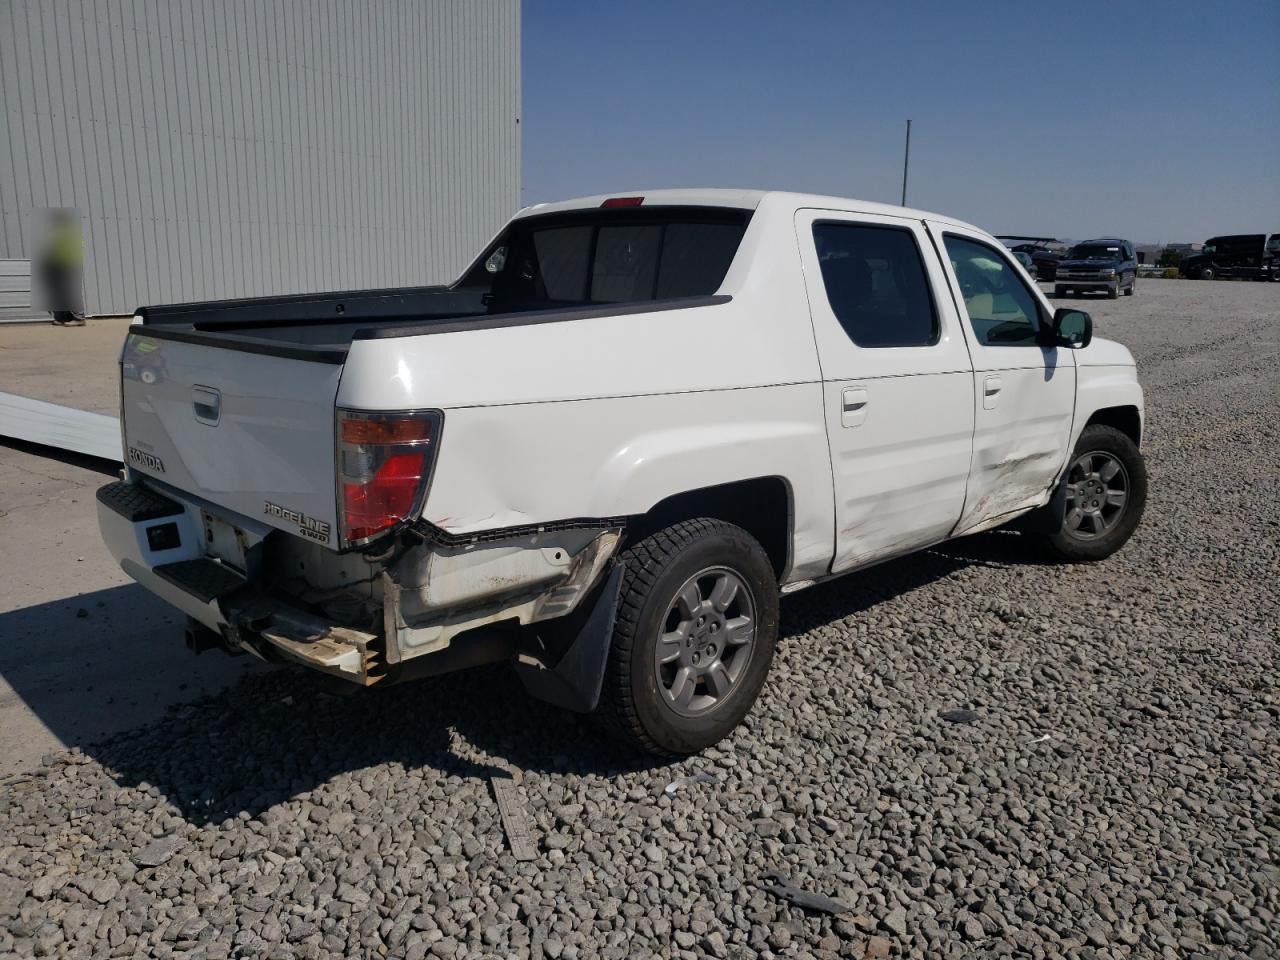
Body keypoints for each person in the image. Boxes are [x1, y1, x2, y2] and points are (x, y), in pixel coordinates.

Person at [41, 209, 85, 326]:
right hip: (60, 265)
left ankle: (79, 318)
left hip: (68, 264)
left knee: (71, 291)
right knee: (61, 293)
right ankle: (63, 318)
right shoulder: (60, 234)